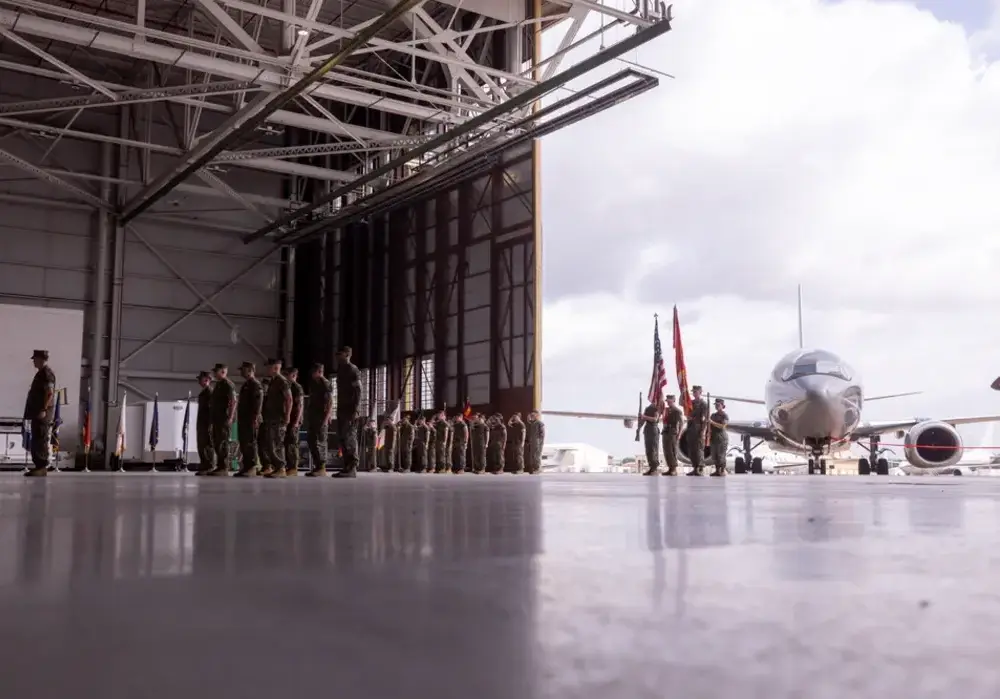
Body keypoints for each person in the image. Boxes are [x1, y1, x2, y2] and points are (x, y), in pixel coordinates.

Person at [23, 349, 56, 477]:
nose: (34, 362)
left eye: (35, 359)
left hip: (42, 412)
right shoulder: (41, 373)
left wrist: (43, 409)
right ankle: (38, 466)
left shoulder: (46, 374)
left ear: (42, 359)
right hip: (37, 412)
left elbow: (49, 393)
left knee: (41, 437)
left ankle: (42, 467)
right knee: (37, 437)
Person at [260, 359, 292, 478]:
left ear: (275, 367)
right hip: (271, 417)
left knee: (277, 442)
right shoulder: (273, 381)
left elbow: (289, 399)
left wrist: (287, 415)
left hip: (278, 417)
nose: (266, 369)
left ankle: (281, 468)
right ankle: (276, 467)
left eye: (268, 367)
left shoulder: (282, 382)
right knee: (270, 443)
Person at [334, 346, 362, 478]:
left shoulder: (352, 369)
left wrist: (355, 409)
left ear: (347, 355)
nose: (338, 357)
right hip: (342, 409)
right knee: (342, 438)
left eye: (340, 354)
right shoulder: (341, 369)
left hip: (350, 410)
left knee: (350, 438)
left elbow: (358, 390)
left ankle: (352, 468)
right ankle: (346, 466)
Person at [234, 361, 263, 477]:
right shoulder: (246, 384)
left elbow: (258, 402)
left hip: (251, 419)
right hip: (244, 419)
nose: (241, 372)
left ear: (250, 370)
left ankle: (252, 467)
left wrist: (256, 416)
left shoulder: (255, 385)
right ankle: (246, 466)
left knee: (251, 442)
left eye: (243, 369)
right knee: (244, 443)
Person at [207, 363, 236, 476]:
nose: (214, 374)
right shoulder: (219, 385)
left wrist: (230, 417)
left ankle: (224, 467)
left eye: (216, 371)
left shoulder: (228, 385)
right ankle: (219, 465)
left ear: (223, 372)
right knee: (217, 442)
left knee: (223, 442)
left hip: (224, 418)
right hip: (217, 418)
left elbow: (233, 402)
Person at [305, 363, 333, 477]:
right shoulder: (314, 384)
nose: (312, 374)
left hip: (321, 418)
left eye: (314, 372)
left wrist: (326, 419)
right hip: (314, 417)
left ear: (319, 372)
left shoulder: (325, 384)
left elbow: (330, 403)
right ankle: (317, 466)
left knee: (320, 442)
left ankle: (322, 467)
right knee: (311, 441)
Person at [283, 367, 304, 476]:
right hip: (289, 418)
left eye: (288, 375)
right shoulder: (288, 386)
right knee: (287, 443)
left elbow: (300, 406)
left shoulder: (297, 388)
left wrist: (296, 421)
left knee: (292, 443)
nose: (286, 377)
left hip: (295, 418)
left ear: (293, 375)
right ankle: (289, 465)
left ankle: (293, 467)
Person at [194, 371, 215, 476]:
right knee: (201, 445)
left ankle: (210, 466)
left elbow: (212, 409)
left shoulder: (210, 392)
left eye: (200, 379)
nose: (199, 382)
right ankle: (204, 465)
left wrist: (211, 423)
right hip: (202, 422)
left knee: (207, 445)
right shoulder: (203, 393)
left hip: (207, 422)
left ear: (207, 380)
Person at [661, 394, 685, 476]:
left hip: (673, 432)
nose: (668, 402)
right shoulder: (666, 410)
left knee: (672, 450)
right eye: (667, 401)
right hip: (665, 431)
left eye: (669, 400)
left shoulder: (677, 411)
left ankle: (674, 469)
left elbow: (682, 423)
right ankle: (670, 468)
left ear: (673, 400)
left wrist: (679, 434)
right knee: (666, 450)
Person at [687, 385, 709, 476]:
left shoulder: (703, 404)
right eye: (693, 392)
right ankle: (695, 467)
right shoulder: (690, 403)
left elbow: (705, 419)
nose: (694, 393)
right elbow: (682, 404)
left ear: (700, 392)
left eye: (696, 392)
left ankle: (700, 468)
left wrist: (703, 431)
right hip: (691, 427)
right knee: (692, 449)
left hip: (698, 427)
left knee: (699, 449)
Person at [708, 397, 730, 477]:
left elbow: (723, 426)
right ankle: (717, 470)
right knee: (714, 455)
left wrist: (712, 422)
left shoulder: (724, 415)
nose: (717, 406)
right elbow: (709, 425)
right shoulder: (713, 415)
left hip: (721, 438)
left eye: (718, 405)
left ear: (722, 406)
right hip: (714, 437)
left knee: (721, 455)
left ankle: (722, 470)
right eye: (716, 405)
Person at [640, 402, 661, 476]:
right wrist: (639, 424)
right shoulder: (647, 408)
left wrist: (644, 417)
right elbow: (643, 419)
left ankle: (654, 468)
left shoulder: (657, 408)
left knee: (653, 449)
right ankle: (651, 467)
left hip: (653, 429)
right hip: (647, 429)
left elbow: (655, 419)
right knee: (648, 449)